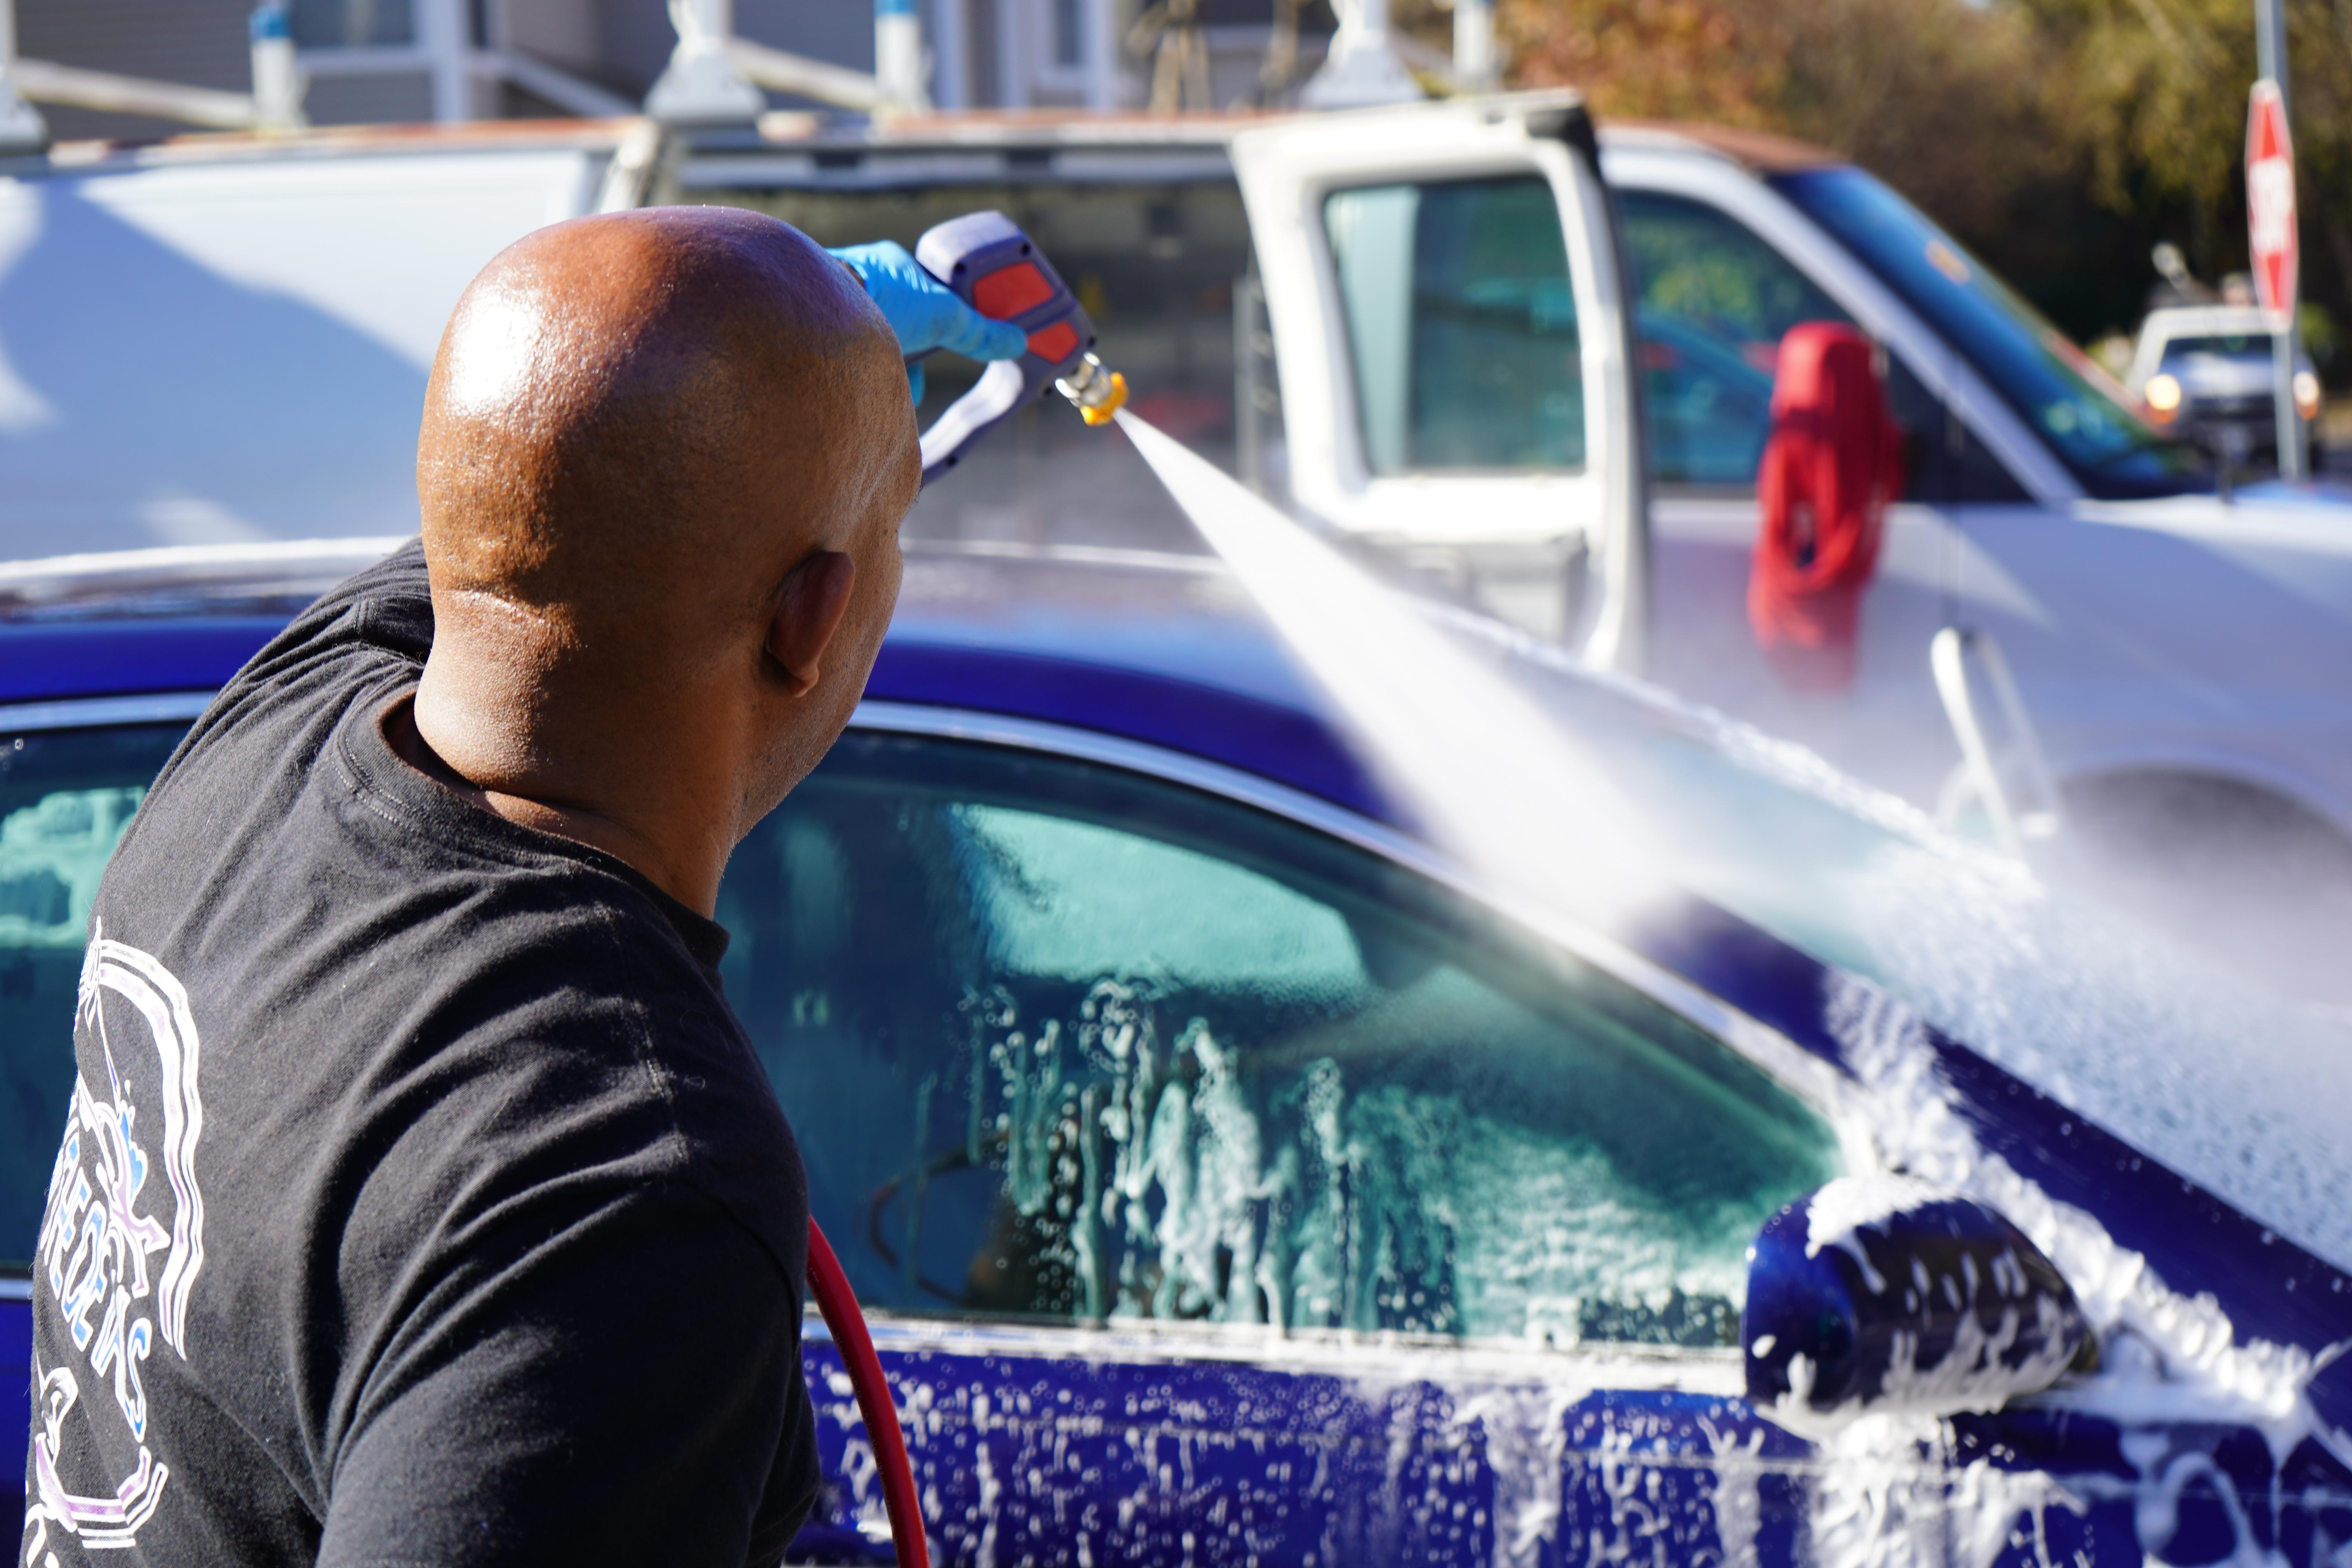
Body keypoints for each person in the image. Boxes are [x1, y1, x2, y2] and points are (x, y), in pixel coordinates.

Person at [21, 207, 1024, 1566]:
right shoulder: (620, 1195)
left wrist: (812, 371)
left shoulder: (274, 722)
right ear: (811, 620)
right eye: (896, 518)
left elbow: (552, 499)